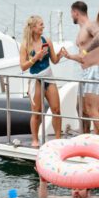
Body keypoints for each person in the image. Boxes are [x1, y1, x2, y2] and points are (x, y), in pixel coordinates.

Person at [60, 1, 99, 136]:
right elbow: (82, 57)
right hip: (86, 72)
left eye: (71, 14)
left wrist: (85, 51)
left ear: (76, 12)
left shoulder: (90, 25)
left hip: (95, 71)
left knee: (92, 109)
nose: (71, 17)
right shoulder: (81, 30)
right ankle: (85, 138)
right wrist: (69, 56)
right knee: (81, 108)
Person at [19, 15, 63, 147]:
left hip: (49, 76)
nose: (43, 27)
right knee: (36, 111)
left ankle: (57, 138)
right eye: (41, 25)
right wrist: (36, 57)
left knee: (56, 109)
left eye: (43, 25)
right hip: (36, 79)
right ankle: (35, 140)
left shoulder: (47, 41)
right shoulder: (25, 45)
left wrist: (60, 54)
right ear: (33, 27)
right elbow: (23, 66)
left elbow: (54, 61)